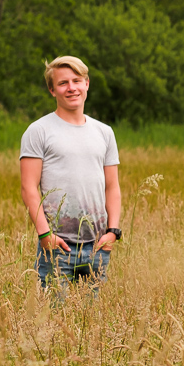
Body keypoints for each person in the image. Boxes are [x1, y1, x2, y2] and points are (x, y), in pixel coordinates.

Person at [20, 56, 121, 294]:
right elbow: (29, 189)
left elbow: (112, 187)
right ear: (52, 90)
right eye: (63, 83)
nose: (71, 87)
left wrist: (113, 232)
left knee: (92, 323)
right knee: (53, 321)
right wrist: (45, 235)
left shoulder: (104, 132)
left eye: (77, 80)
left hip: (97, 247)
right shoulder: (38, 131)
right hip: (57, 247)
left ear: (87, 83)